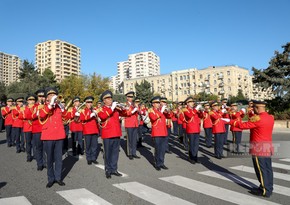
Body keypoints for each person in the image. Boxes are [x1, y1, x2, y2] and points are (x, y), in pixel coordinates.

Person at [224, 100, 274, 198]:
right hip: (267, 146)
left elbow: (243, 126)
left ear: (257, 108)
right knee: (268, 169)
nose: (252, 109)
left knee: (260, 169)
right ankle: (269, 187)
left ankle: (264, 190)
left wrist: (229, 121)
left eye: (254, 107)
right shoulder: (270, 117)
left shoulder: (257, 118)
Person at [39, 87, 67, 188]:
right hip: (48, 136)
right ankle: (50, 178)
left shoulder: (59, 107)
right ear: (47, 97)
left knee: (59, 158)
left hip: (59, 135)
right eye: (50, 95)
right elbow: (42, 115)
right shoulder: (42, 107)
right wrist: (50, 105)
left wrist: (62, 107)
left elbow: (67, 117)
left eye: (54, 95)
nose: (53, 96)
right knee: (49, 159)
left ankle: (58, 178)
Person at [98, 90, 127, 178]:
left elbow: (125, 114)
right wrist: (112, 108)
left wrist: (123, 108)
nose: (110, 100)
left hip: (116, 133)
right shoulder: (101, 109)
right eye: (108, 98)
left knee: (115, 153)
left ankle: (114, 169)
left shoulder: (115, 108)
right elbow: (102, 116)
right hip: (107, 134)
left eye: (110, 98)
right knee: (108, 153)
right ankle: (108, 170)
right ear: (104, 101)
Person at [148, 96, 168, 171]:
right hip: (156, 132)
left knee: (163, 149)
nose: (158, 104)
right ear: (153, 104)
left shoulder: (161, 110)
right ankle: (157, 163)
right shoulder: (151, 111)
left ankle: (162, 162)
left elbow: (169, 116)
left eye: (159, 103)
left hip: (163, 132)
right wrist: (161, 112)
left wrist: (167, 112)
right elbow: (153, 118)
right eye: (156, 103)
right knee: (158, 149)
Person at [79, 96, 100, 165]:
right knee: (88, 145)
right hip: (87, 130)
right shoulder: (83, 111)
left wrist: (96, 115)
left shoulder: (94, 109)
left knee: (94, 145)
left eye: (91, 102)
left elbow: (98, 119)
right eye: (88, 102)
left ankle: (93, 158)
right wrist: (90, 115)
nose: (90, 104)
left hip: (94, 130)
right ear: (85, 103)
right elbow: (82, 118)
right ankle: (88, 158)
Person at [183, 97, 203, 164]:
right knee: (191, 144)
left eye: (192, 102)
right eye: (191, 102)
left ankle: (195, 157)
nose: (192, 103)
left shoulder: (195, 110)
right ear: (187, 103)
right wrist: (196, 109)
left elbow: (201, 116)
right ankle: (191, 158)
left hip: (197, 129)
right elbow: (189, 116)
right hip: (191, 130)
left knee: (196, 145)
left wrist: (201, 111)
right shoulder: (185, 110)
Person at [30, 89, 46, 171]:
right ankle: (39, 163)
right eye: (40, 96)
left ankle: (45, 162)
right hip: (37, 129)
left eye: (43, 96)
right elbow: (31, 117)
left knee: (46, 147)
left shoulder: (48, 105)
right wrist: (37, 112)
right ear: (37, 97)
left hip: (46, 129)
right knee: (39, 147)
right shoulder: (34, 106)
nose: (42, 98)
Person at [19, 94, 36, 162]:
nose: (32, 101)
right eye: (30, 100)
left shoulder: (37, 107)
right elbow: (20, 116)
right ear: (27, 101)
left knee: (35, 143)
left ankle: (35, 155)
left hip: (35, 127)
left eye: (33, 100)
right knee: (28, 143)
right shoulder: (24, 108)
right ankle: (29, 155)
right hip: (27, 127)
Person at [124, 91, 140, 160]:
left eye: (132, 97)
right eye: (130, 97)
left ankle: (134, 153)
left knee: (134, 139)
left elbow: (140, 112)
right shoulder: (125, 105)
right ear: (127, 97)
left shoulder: (134, 104)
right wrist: (133, 111)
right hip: (129, 124)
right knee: (129, 139)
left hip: (135, 123)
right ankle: (130, 153)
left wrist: (137, 108)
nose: (131, 98)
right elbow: (126, 113)